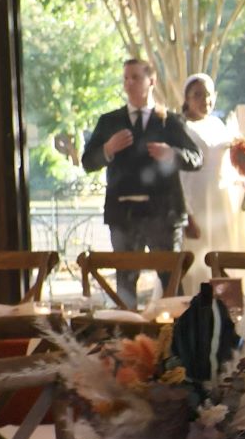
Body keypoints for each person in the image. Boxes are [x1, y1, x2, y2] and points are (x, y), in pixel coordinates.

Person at [80, 58, 202, 309]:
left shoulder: (170, 121)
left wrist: (172, 154)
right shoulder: (109, 121)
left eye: (135, 77)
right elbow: (87, 162)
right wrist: (107, 149)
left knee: (171, 283)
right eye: (126, 78)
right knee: (125, 284)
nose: (129, 83)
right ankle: (128, 341)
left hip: (164, 215)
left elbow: (196, 158)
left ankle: (175, 341)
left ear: (151, 81)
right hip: (123, 215)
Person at [175, 73, 245, 293]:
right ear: (187, 98)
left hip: (221, 199)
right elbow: (178, 173)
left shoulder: (217, 124)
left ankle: (225, 305)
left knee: (223, 253)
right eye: (197, 95)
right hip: (194, 197)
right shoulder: (180, 127)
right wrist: (186, 212)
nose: (204, 100)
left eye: (208, 95)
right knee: (197, 258)